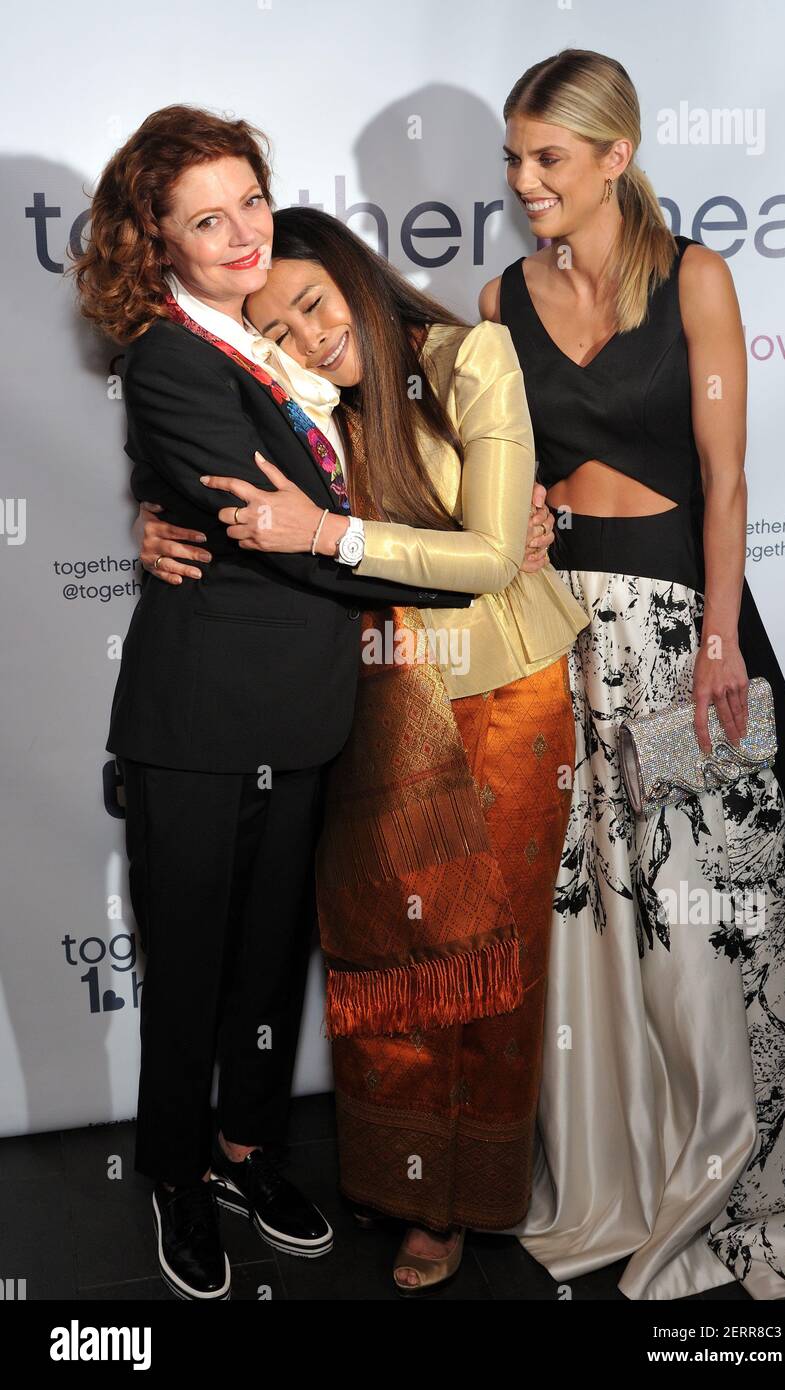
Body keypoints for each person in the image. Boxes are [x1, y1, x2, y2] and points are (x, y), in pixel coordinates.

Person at [70, 105, 483, 1301]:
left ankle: (248, 1151)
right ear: (158, 244)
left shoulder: (278, 335)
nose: (245, 232)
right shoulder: (168, 355)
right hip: (197, 717)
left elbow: (352, 457)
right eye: (208, 218)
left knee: (268, 962)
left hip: (310, 707)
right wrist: (464, 544)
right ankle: (175, 1176)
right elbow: (284, 532)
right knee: (190, 962)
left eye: (251, 199)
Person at [138, 204, 590, 1293]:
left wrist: (327, 530)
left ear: (352, 273)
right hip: (364, 701)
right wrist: (155, 520)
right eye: (277, 330)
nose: (304, 336)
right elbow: (220, 493)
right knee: (387, 967)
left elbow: (487, 554)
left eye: (311, 303)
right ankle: (401, 1189)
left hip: (499, 694)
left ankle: (469, 1198)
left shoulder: (470, 355)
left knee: (488, 969)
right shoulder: (293, 403)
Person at [478, 48, 785, 1299]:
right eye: (515, 157)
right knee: (603, 919)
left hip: (684, 637)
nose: (524, 181)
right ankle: (617, 1166)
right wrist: (512, 527)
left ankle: (736, 1157)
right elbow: (502, 481)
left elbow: (727, 481)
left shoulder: (696, 279)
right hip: (563, 639)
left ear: (615, 158)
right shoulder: (499, 298)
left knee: (702, 924)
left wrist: (724, 639)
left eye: (548, 158)